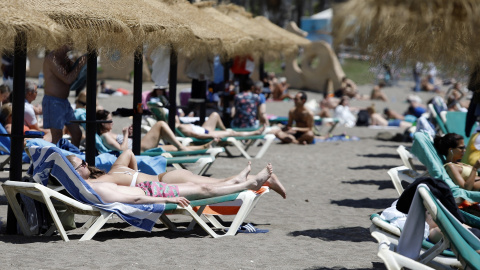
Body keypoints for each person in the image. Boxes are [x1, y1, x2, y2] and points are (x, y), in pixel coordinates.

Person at [67, 150, 286, 204]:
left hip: (165, 182)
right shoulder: (116, 169)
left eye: (82, 163)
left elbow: (84, 184)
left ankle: (260, 180)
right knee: (218, 183)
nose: (84, 165)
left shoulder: (104, 180)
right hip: (166, 176)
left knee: (219, 185)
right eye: (81, 165)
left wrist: (139, 180)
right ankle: (263, 180)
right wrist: (137, 175)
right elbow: (128, 153)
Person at [96, 109, 214, 153]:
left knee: (174, 148)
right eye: (109, 121)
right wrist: (126, 135)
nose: (112, 123)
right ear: (102, 123)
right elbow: (122, 149)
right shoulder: (105, 136)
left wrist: (129, 134)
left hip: (138, 145)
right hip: (139, 149)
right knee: (160, 124)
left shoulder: (108, 134)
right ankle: (184, 147)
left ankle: (202, 148)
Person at [42, 45, 86, 146]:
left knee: (77, 133)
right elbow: (68, 79)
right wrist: (81, 63)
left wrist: (79, 63)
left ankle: (73, 157)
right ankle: (57, 160)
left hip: (64, 102)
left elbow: (75, 73)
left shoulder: (65, 58)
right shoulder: (51, 58)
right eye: (68, 41)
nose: (72, 43)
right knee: (57, 136)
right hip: (53, 102)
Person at [176, 112, 264, 140]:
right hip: (208, 133)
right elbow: (197, 135)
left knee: (215, 115)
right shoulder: (181, 127)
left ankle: (224, 130)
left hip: (204, 129)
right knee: (232, 132)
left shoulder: (181, 124)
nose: (177, 116)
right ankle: (254, 133)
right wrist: (213, 135)